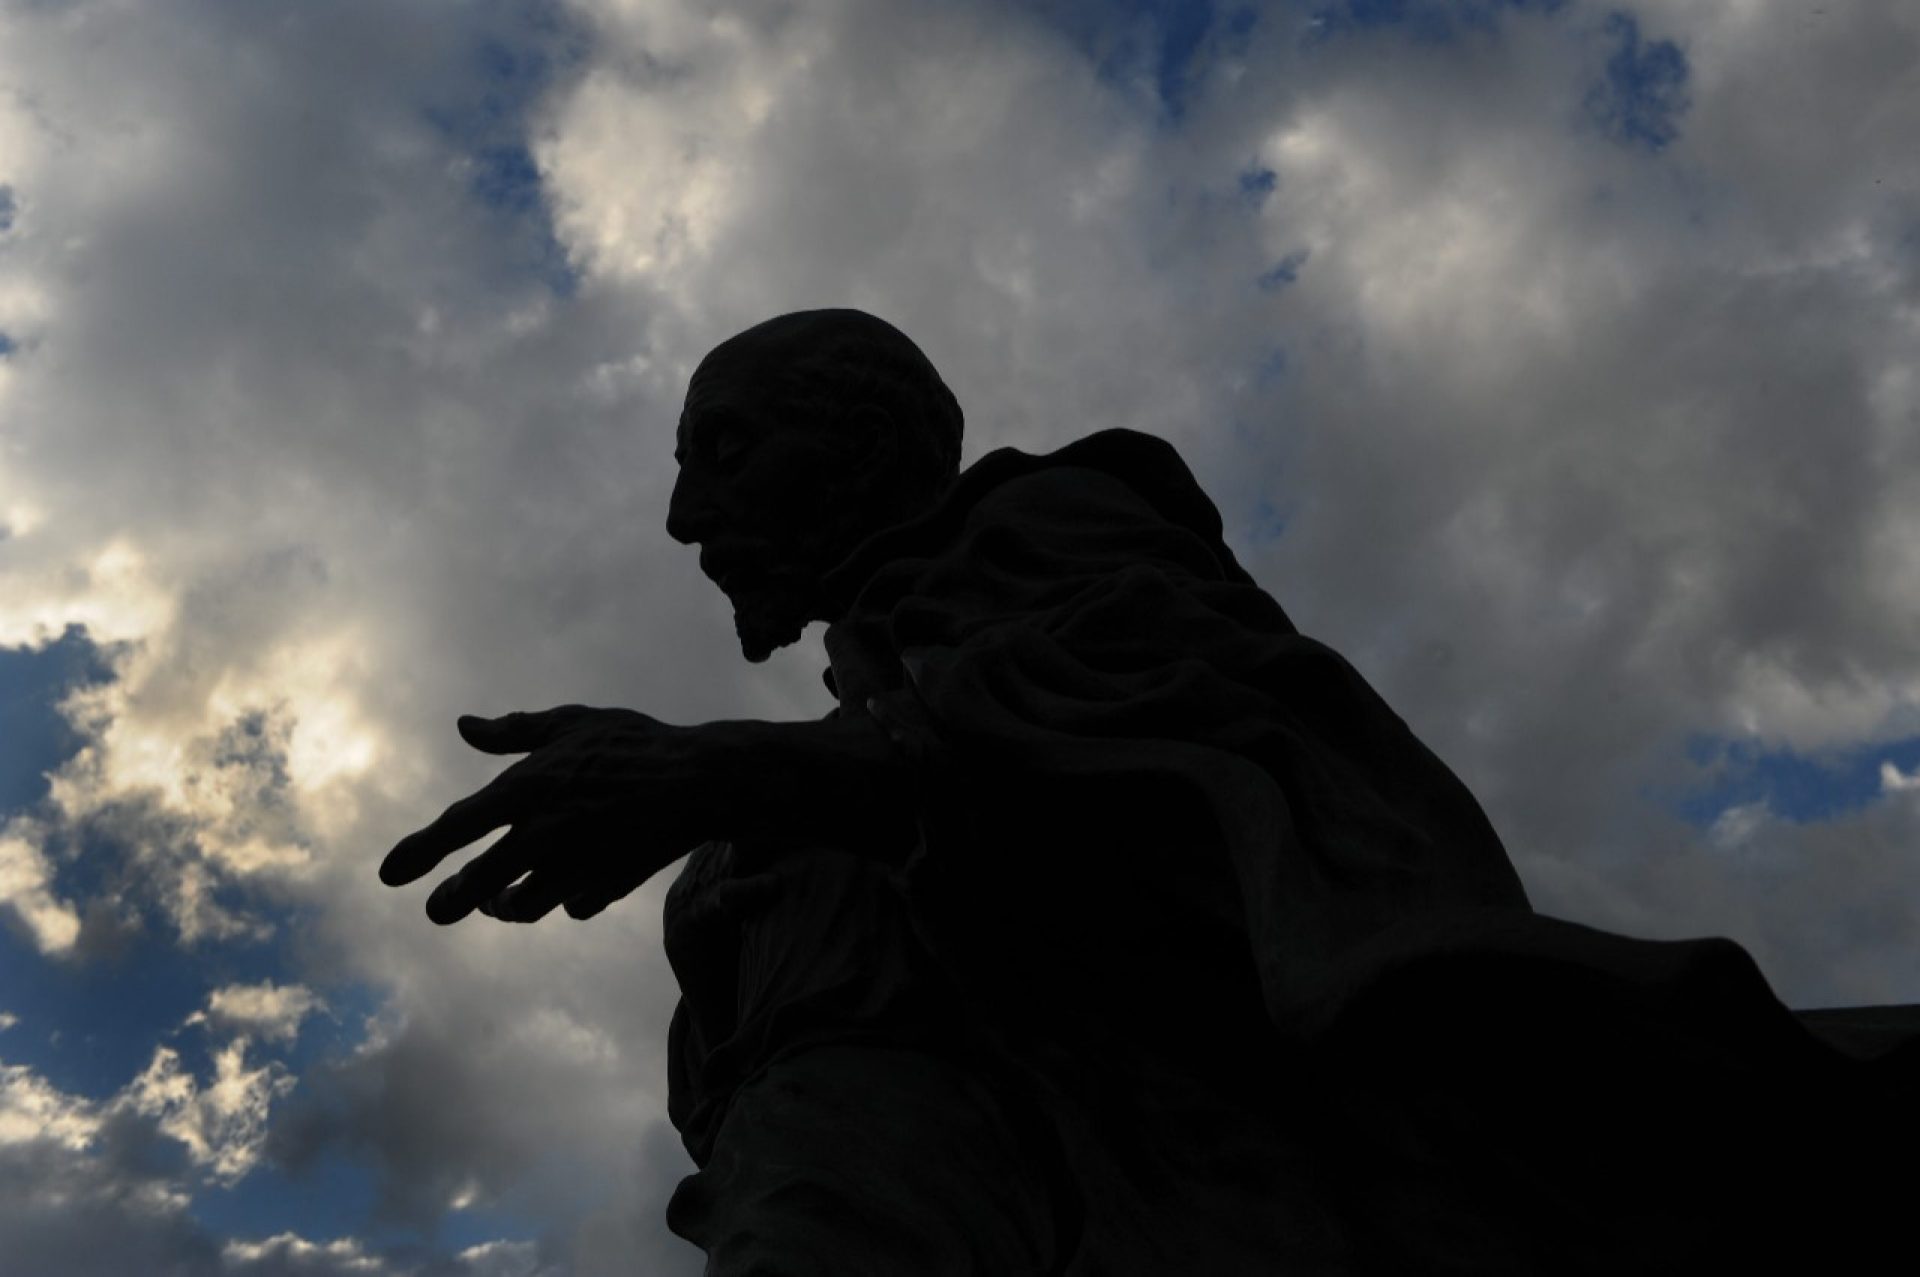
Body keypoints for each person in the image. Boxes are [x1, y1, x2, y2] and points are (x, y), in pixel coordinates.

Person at [381, 310, 1910, 1274]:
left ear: (857, 452)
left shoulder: (1054, 530)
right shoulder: (839, 747)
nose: (682, 514)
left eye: (727, 452)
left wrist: (734, 775)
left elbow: (1176, 737)